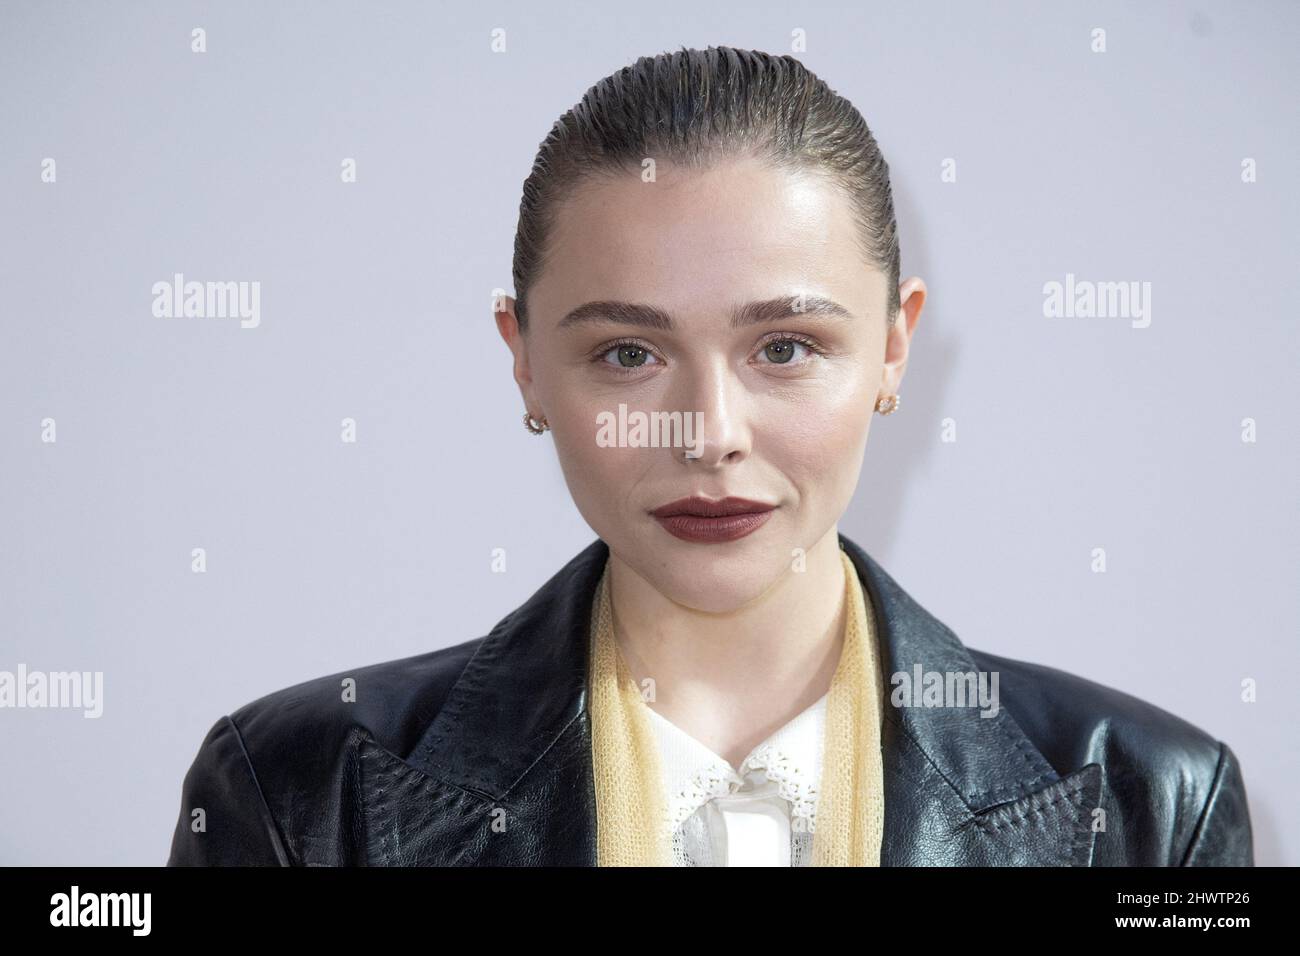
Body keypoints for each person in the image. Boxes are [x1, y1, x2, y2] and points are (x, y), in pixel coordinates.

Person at [167, 45, 1253, 867]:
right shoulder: (297, 794)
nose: (709, 432)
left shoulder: (1150, 803)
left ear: (891, 347)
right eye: (628, 351)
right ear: (526, 364)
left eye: (785, 346)